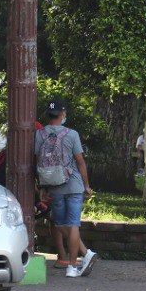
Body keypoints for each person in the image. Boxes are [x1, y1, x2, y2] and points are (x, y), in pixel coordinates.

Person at [36, 99, 97, 278]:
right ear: (62, 115)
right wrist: (86, 185)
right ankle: (73, 266)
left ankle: (86, 254)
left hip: (55, 186)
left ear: (48, 115)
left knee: (60, 223)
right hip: (74, 184)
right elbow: (80, 161)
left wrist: (41, 186)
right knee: (73, 225)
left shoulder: (40, 135)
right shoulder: (72, 134)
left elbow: (37, 160)